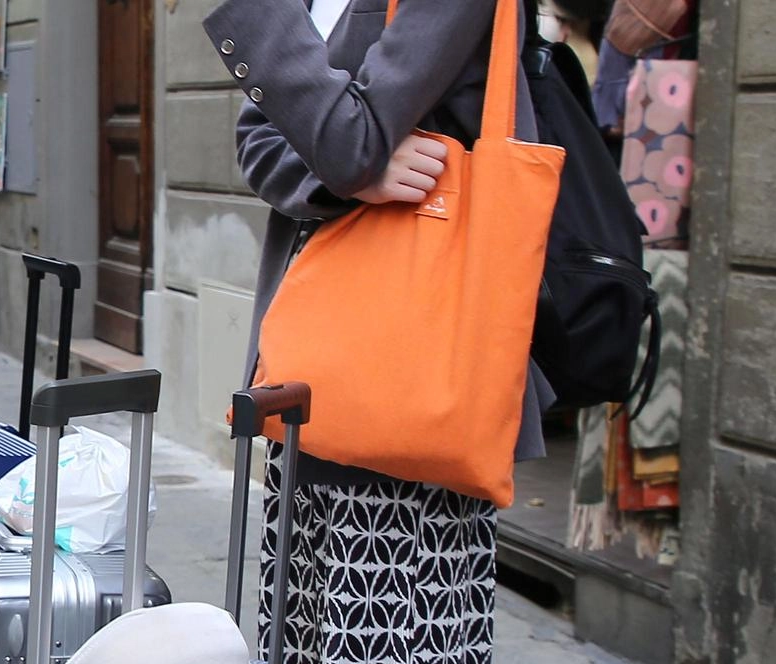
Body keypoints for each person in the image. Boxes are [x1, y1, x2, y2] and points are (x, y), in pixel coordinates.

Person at [203, 0, 556, 661]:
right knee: (305, 622)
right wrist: (348, 179)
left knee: (393, 633)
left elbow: (346, 141)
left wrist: (351, 156)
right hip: (318, 364)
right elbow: (261, 140)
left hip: (417, 369)